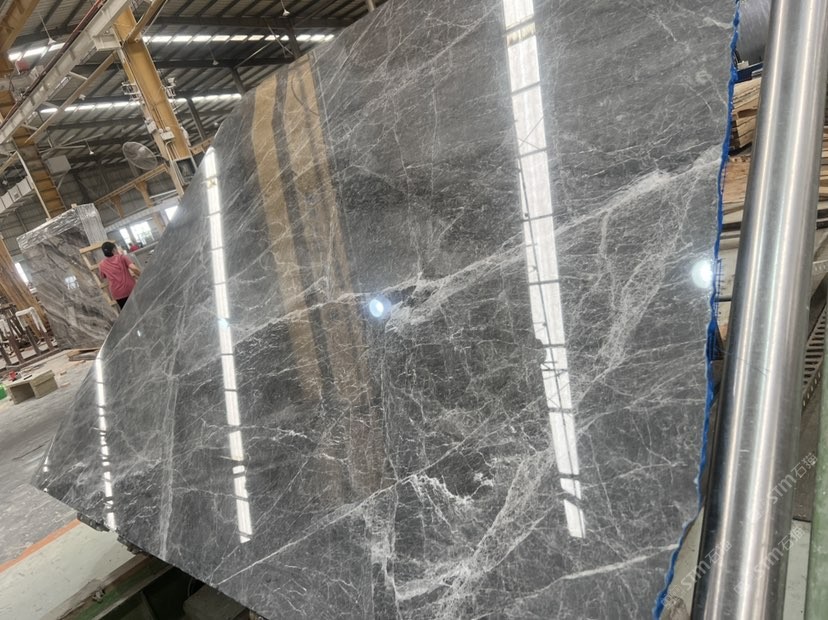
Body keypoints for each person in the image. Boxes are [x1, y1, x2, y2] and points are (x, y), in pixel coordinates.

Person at [99, 241, 141, 309]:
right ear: (114, 249)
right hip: (130, 289)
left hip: (117, 293)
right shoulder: (121, 257)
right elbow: (133, 268)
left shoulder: (101, 264)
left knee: (128, 312)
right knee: (141, 308)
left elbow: (102, 277)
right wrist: (142, 275)